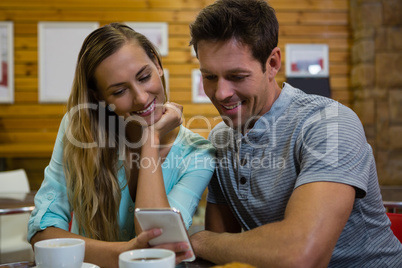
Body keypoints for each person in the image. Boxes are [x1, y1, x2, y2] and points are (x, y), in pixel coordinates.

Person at [188, 0, 402, 267]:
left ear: (273, 63)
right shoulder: (220, 138)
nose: (220, 93)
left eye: (237, 76)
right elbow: (220, 246)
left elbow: (302, 256)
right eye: (209, 77)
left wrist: (197, 241)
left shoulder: (329, 124)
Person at [28, 23, 216, 268]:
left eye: (144, 76)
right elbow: (43, 232)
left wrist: (151, 138)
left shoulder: (199, 152)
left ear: (158, 66)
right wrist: (125, 252)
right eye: (119, 91)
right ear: (99, 98)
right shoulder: (77, 130)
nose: (140, 97)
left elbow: (159, 245)